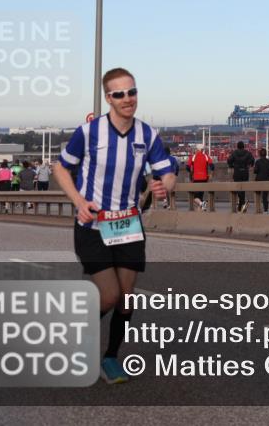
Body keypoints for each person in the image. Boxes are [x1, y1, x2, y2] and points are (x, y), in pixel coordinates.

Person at [52, 67, 175, 384]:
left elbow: (167, 172)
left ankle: (109, 358)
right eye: (119, 94)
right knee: (108, 296)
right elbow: (61, 168)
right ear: (108, 98)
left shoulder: (147, 134)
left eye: (131, 92)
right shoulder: (90, 132)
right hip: (93, 224)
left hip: (128, 224)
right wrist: (79, 201)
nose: (127, 99)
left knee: (127, 297)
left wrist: (164, 186)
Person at [227, 140, 255, 213]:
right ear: (243, 146)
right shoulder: (248, 153)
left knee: (237, 187)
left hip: (237, 172)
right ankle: (242, 204)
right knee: (243, 188)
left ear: (237, 146)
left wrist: (232, 166)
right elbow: (252, 160)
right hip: (245, 172)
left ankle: (241, 203)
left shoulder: (234, 153)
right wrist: (250, 165)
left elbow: (229, 160)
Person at [187, 144, 214, 211]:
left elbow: (187, 167)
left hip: (196, 178)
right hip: (204, 178)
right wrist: (210, 174)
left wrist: (191, 172)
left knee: (195, 196)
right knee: (201, 194)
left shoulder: (193, 157)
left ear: (197, 149)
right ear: (202, 150)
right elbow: (212, 166)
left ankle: (202, 204)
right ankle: (202, 206)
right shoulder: (206, 156)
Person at [254, 147, 269, 213]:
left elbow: (255, 171)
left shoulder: (257, 162)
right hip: (266, 180)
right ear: (266, 154)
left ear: (260, 154)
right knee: (265, 197)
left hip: (258, 180)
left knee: (258, 195)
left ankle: (258, 209)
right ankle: (266, 210)